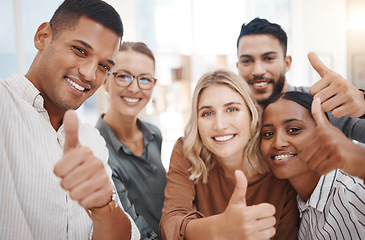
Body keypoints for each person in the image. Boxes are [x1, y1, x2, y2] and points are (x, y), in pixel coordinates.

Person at [0, 0, 140, 239]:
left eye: (104, 66)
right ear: (42, 36)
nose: (89, 74)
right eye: (80, 50)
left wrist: (103, 207)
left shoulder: (91, 140)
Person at [159, 69, 299, 240]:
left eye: (232, 109)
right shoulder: (187, 151)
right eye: (207, 113)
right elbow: (169, 225)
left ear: (251, 115)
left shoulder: (278, 160)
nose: (220, 125)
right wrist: (220, 228)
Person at [236, 17, 365, 143]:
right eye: (246, 61)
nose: (258, 70)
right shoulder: (232, 116)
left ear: (287, 63)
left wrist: (363, 104)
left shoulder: (322, 104)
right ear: (238, 66)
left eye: (269, 58)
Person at [260, 91, 365, 239]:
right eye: (268, 134)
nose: (278, 143)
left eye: (294, 130)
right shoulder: (297, 207)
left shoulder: (351, 190)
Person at [95, 41, 166, 240]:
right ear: (106, 81)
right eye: (123, 76)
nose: (134, 88)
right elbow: (128, 222)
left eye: (144, 79)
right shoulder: (97, 149)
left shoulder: (154, 135)